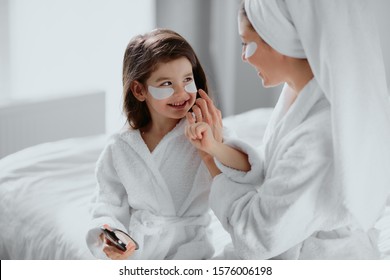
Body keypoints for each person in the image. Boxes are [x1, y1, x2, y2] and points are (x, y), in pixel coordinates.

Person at [185, 0, 390, 259]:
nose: (244, 57)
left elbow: (257, 237)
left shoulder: (321, 138)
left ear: (279, 38)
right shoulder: (302, 93)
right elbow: (276, 168)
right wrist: (217, 147)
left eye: (247, 43)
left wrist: (212, 167)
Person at [86, 28, 220, 260]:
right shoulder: (120, 147)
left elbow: (243, 174)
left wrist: (215, 146)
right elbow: (107, 203)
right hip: (141, 252)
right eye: (166, 83)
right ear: (139, 90)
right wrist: (114, 238)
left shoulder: (206, 134)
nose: (181, 93)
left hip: (194, 251)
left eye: (187, 79)